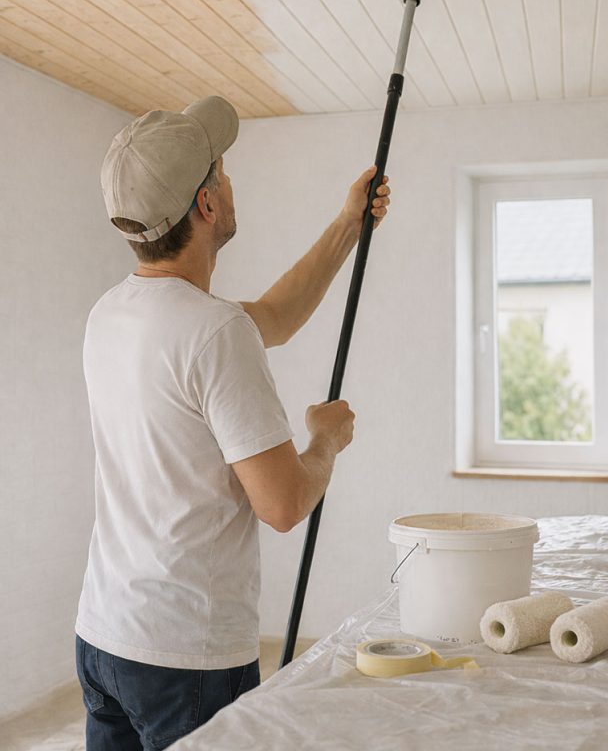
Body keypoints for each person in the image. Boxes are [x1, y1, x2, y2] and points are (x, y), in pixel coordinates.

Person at [74, 95, 391, 750]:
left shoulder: (113, 312)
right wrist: (326, 439)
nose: (228, 178)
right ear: (207, 205)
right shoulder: (213, 332)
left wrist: (347, 225)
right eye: (220, 170)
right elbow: (281, 504)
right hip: (185, 657)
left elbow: (272, 315)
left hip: (104, 635)